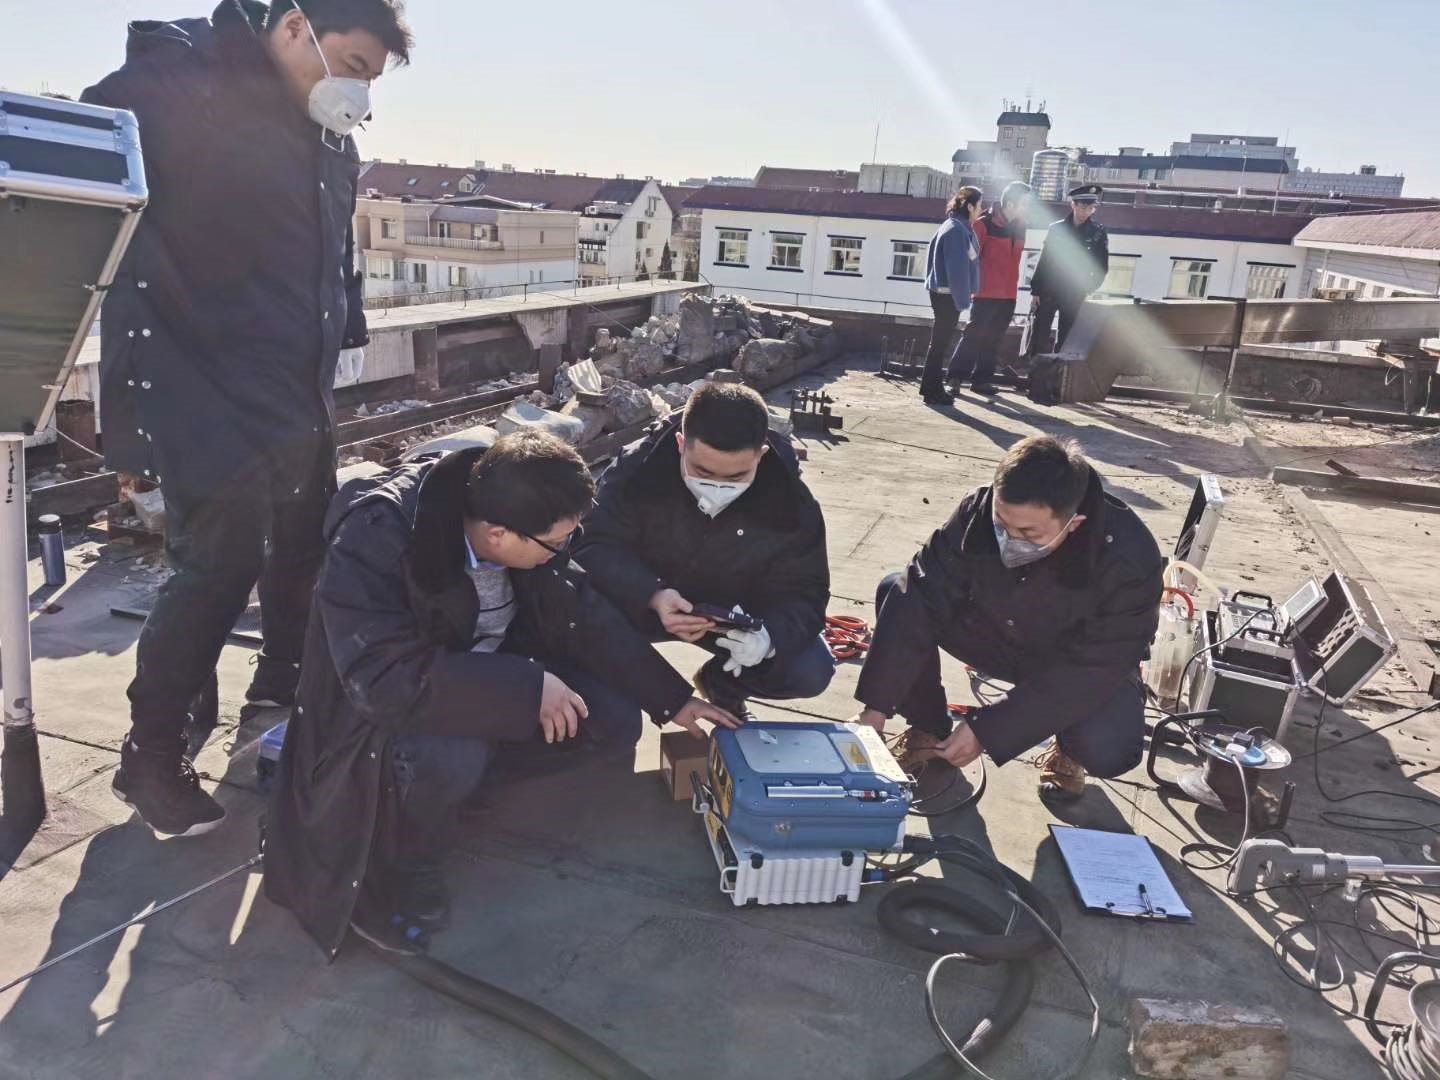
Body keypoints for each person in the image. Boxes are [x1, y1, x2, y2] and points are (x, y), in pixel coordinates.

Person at [82, 0, 412, 838]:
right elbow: (89, 169)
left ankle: (276, 690)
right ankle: (149, 757)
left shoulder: (328, 136)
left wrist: (347, 330)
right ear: (297, 27)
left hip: (296, 388)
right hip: (201, 383)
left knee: (303, 546)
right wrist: (125, 414)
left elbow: (337, 251)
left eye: (373, 79)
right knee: (214, 571)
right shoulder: (182, 83)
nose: (360, 92)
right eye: (355, 65)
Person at [264, 432, 738, 956]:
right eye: (557, 543)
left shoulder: (520, 510)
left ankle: (450, 802)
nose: (566, 550)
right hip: (383, 715)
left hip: (488, 677)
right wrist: (526, 687)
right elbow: (384, 681)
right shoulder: (376, 538)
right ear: (496, 533)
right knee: (453, 754)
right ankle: (411, 858)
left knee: (612, 720)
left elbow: (584, 612)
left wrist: (672, 699)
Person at [849, 436, 1163, 801]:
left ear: (1073, 523)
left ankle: (1070, 751)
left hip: (1073, 661)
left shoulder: (1129, 558)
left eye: (1029, 533)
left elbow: (1094, 668)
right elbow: (921, 589)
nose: (1009, 540)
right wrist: (876, 707)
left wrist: (988, 730)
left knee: (1109, 747)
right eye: (1001, 524)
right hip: (995, 634)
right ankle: (928, 729)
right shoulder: (977, 509)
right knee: (898, 591)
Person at [575, 383, 834, 720]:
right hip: (640, 602)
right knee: (580, 632)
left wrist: (768, 639)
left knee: (810, 669)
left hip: (730, 620)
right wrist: (650, 593)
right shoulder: (638, 470)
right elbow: (590, 544)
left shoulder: (789, 499)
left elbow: (807, 590)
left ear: (762, 454)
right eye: (703, 472)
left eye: (739, 475)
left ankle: (722, 684)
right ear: (681, 444)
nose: (719, 486)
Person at [948, 181, 1031, 396]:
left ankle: (981, 381)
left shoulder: (1021, 226)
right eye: (1024, 203)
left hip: (1008, 294)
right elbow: (970, 258)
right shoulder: (984, 224)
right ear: (1010, 203)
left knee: (995, 339)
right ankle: (955, 378)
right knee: (973, 336)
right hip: (985, 293)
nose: (1027, 208)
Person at [1027, 184, 1110, 357]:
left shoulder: (1097, 233)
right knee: (1040, 335)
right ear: (1073, 204)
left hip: (1074, 293)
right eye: (1082, 206)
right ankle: (1036, 378)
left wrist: (1087, 288)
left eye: (1091, 208)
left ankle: (1059, 380)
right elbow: (1045, 260)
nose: (1086, 211)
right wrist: (1036, 290)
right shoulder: (1057, 229)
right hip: (1049, 290)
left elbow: (1101, 267)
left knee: (1067, 338)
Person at [919, 187, 984, 405]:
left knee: (939, 343)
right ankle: (932, 390)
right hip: (947, 295)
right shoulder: (957, 230)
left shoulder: (958, 226)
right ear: (969, 206)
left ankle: (930, 388)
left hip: (945, 293)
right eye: (979, 205)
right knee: (940, 343)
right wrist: (963, 300)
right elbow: (957, 269)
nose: (981, 210)